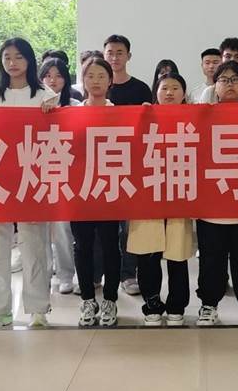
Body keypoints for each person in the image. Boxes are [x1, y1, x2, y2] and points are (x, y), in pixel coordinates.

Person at [0, 38, 57, 329]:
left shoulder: (45, 94)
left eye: (18, 57)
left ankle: (38, 309)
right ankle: (0, 311)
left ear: (29, 60)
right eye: (6, 57)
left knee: (34, 245)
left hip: (32, 176)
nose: (12, 63)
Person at [196, 61, 238, 326]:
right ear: (215, 86)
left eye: (235, 79)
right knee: (211, 258)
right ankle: (208, 305)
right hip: (211, 202)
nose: (229, 84)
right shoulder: (202, 116)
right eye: (223, 80)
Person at [127, 72, 195, 326]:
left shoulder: (193, 118)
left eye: (175, 88)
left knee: (177, 254)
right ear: (156, 92)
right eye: (164, 88)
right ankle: (152, 303)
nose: (169, 93)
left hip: (179, 191)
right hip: (148, 193)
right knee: (148, 252)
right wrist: (140, 118)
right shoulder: (144, 116)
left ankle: (177, 305)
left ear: (184, 94)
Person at [72, 57, 123, 327]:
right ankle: (87, 300)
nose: (96, 81)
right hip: (80, 191)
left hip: (109, 189)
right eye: (90, 76)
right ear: (83, 80)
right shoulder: (71, 113)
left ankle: (110, 299)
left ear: (110, 80)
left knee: (110, 246)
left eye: (101, 76)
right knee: (82, 246)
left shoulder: (120, 113)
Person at [103, 34, 152, 296]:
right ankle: (101, 273)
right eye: (110, 52)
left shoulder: (141, 89)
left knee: (128, 226)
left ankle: (128, 273)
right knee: (102, 225)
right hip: (102, 163)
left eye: (119, 52)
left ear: (128, 56)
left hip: (132, 163)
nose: (114, 57)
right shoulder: (97, 87)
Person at [38, 58, 79, 295]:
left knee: (63, 228)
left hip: (66, 174)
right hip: (36, 173)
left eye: (59, 75)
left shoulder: (74, 105)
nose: (53, 80)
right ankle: (44, 273)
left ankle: (66, 275)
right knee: (40, 229)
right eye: (48, 75)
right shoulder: (33, 102)